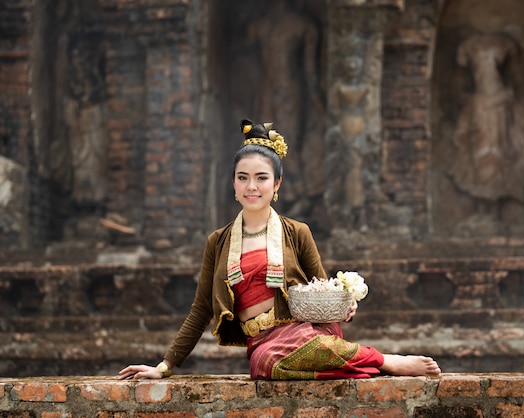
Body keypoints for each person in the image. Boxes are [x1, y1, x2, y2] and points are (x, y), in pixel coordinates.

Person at [118, 119, 441, 380]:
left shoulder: (296, 232)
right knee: (265, 364)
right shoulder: (218, 242)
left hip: (301, 331)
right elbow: (201, 308)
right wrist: (164, 366)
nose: (252, 186)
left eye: (261, 178)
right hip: (262, 344)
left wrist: (345, 304)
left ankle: (387, 361)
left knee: (297, 349)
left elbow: (323, 289)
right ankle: (367, 362)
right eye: (243, 178)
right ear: (233, 183)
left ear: (277, 185)